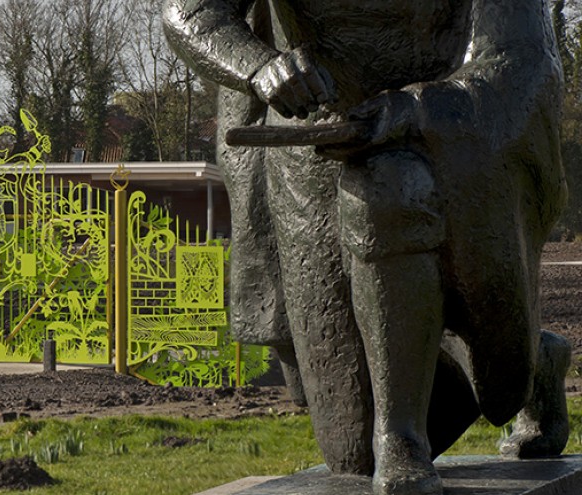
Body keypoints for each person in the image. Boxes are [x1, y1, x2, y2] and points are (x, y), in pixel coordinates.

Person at [162, 1, 571, 494]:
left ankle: (402, 436)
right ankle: (529, 356)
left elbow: (520, 58)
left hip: (443, 132)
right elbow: (190, 9)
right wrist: (258, 66)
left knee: (389, 189)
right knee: (349, 450)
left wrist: (413, 111)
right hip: (309, 138)